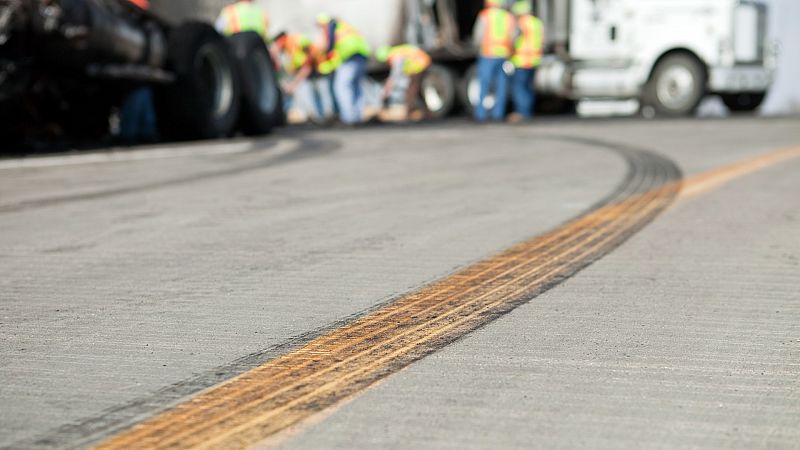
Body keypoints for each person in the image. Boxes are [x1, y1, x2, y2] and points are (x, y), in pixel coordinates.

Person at [315, 14, 371, 125]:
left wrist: (323, 58)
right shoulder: (345, 26)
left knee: (342, 87)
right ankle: (357, 117)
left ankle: (349, 118)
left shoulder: (332, 27)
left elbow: (329, 46)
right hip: (362, 56)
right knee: (356, 87)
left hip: (349, 57)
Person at [472, 0, 515, 122]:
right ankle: (498, 114)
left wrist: (477, 48)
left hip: (487, 54)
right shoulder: (508, 17)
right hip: (503, 55)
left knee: (484, 84)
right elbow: (513, 35)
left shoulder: (485, 15)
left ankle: (480, 114)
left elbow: (478, 35)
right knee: (501, 86)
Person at [273, 32, 327, 122]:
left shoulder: (296, 41)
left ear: (281, 39)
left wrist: (293, 84)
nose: (278, 46)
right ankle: (318, 116)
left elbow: (307, 65)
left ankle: (318, 116)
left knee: (310, 91)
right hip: (310, 70)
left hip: (318, 68)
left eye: (277, 43)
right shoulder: (290, 47)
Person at [375, 44, 432, 121]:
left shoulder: (396, 57)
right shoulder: (397, 51)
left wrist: (386, 91)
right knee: (416, 89)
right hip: (422, 62)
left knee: (411, 90)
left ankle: (409, 112)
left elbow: (395, 75)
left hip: (419, 65)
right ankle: (424, 112)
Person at [509, 1, 544, 122]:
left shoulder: (521, 24)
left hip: (521, 61)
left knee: (520, 88)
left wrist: (510, 51)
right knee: (528, 88)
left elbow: (513, 40)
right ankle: (528, 112)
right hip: (534, 61)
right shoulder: (537, 22)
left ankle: (521, 112)